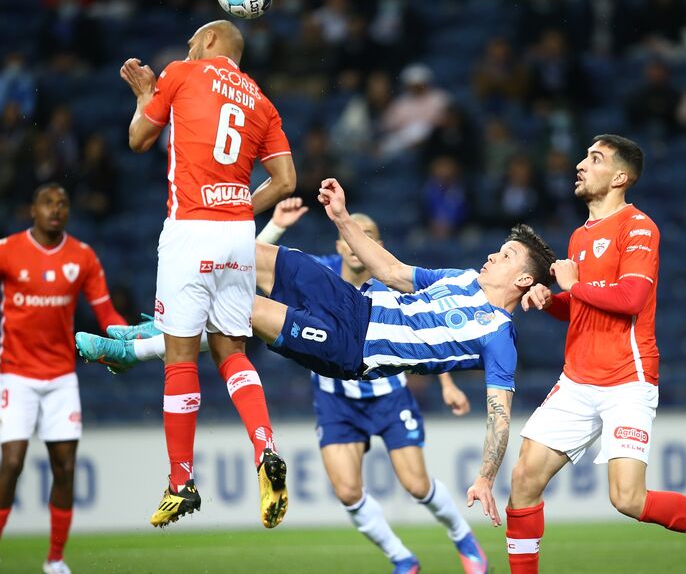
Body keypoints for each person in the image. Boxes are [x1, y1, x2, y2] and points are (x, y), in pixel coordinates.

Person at [77, 179, 558, 529]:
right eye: (499, 249)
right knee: (240, 254)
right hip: (352, 302)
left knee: (243, 310)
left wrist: (485, 477)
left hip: (352, 349)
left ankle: (139, 349)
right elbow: (392, 270)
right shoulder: (462, 278)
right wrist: (343, 218)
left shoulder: (499, 336)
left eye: (506, 256)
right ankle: (153, 332)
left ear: (522, 279)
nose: (492, 255)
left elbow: (499, 416)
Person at [508, 135, 686, 574]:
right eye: (585, 157)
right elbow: (583, 304)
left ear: (620, 177)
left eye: (595, 159)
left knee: (628, 498)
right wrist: (551, 300)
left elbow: (631, 298)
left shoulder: (639, 227)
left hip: (626, 379)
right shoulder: (580, 235)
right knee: (523, 479)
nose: (581, 165)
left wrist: (573, 285)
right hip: (577, 380)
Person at [118, 19, 296, 528]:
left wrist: (145, 96)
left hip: (191, 230)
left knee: (180, 356)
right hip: (238, 236)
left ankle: (181, 483)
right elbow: (286, 180)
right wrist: (238, 208)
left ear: (212, 40)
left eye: (194, 40)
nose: (189, 47)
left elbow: (139, 139)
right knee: (231, 351)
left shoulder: (181, 72)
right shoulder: (260, 99)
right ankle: (265, 448)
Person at [257, 199, 488, 574]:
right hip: (336, 399)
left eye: (367, 236)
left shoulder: (392, 279)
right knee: (347, 491)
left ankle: (462, 536)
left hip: (388, 395)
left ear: (376, 246)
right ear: (339, 244)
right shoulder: (319, 273)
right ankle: (402, 559)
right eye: (352, 235)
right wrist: (278, 227)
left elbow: (427, 333)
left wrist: (447, 384)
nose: (356, 242)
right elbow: (254, 264)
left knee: (417, 485)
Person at [0, 184, 127, 574]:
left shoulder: (82, 257)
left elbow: (106, 313)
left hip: (62, 377)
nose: (55, 209)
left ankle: (55, 560)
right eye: (47, 203)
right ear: (33, 209)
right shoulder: (3, 252)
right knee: (12, 462)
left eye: (62, 204)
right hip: (16, 374)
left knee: (64, 468)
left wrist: (128, 342)